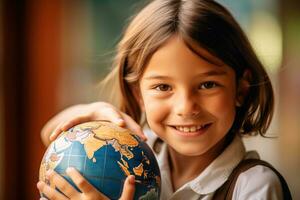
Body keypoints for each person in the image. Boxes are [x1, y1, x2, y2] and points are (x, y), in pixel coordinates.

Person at [37, 0, 290, 199]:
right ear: (139, 94)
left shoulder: (254, 186)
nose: (185, 107)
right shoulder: (135, 152)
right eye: (162, 86)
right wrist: (93, 111)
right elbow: (50, 135)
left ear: (241, 90)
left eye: (207, 85)